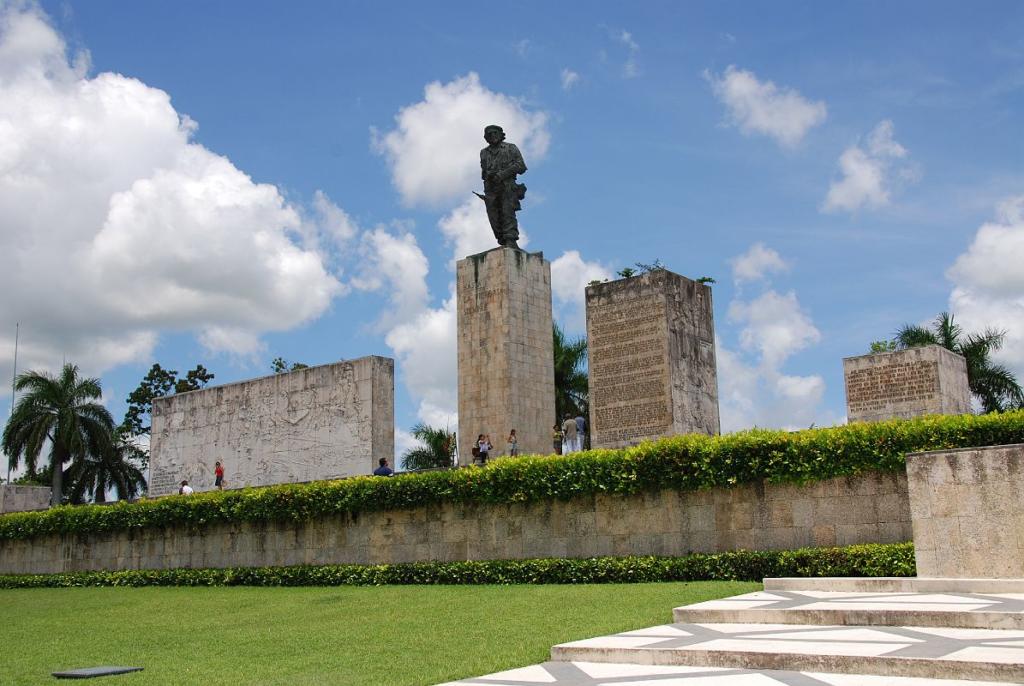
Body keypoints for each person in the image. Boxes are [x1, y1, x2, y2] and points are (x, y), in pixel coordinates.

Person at [476, 124, 527, 249]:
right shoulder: (484, 152)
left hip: (507, 185)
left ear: (501, 134)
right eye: (489, 134)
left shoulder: (510, 148)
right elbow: (483, 171)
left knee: (507, 212)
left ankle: (511, 239)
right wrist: (489, 175)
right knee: (493, 216)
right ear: (486, 137)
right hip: (491, 188)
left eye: (495, 133)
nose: (492, 136)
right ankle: (502, 240)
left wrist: (503, 174)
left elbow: (521, 166)